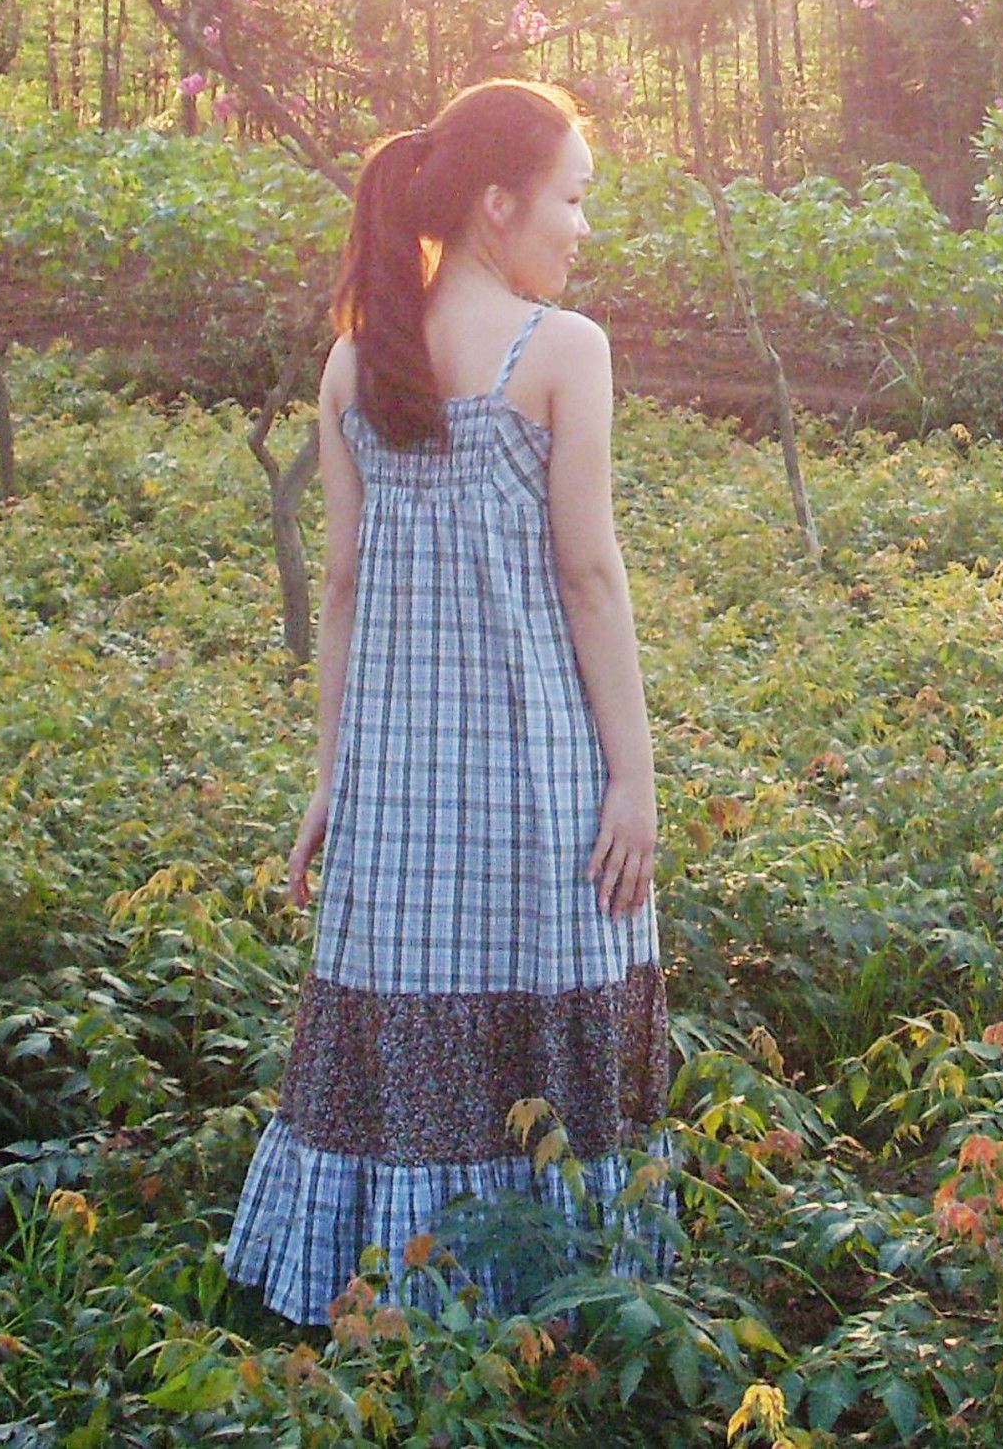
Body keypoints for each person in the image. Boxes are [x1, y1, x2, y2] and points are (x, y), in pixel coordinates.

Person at [223, 77, 674, 1323]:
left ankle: (394, 1299)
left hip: (399, 793)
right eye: (572, 198)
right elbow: (587, 575)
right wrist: (632, 778)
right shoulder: (560, 352)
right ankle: (553, 1297)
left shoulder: (357, 356)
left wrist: (331, 779)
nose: (583, 228)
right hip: (535, 780)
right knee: (542, 1007)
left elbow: (342, 587)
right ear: (495, 202)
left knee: (406, 1018)